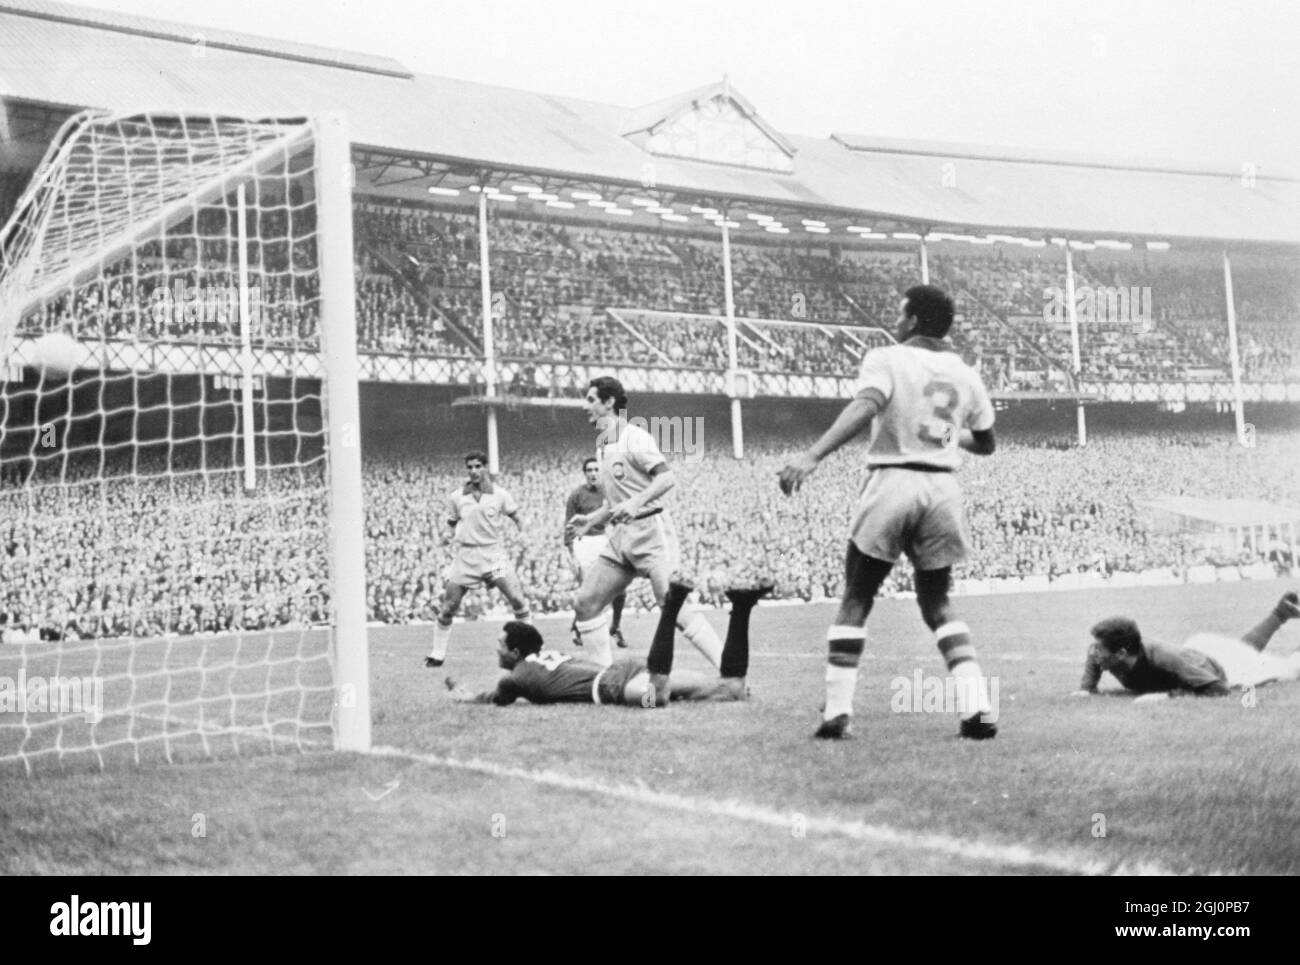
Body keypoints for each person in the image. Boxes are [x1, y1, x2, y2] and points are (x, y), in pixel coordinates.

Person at [777, 285, 999, 740]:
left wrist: (814, 455)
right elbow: (987, 443)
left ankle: (837, 710)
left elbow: (866, 405)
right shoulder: (966, 373)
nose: (895, 322)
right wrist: (945, 434)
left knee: (856, 598)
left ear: (914, 320)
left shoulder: (888, 357)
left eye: (901, 314)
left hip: (892, 480)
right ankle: (977, 706)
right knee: (937, 603)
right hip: (942, 488)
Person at [566, 376, 725, 669]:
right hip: (622, 537)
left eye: (590, 400)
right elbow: (615, 502)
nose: (584, 406)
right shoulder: (603, 445)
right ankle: (602, 677)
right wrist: (591, 520)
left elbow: (667, 477)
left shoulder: (634, 437)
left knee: (671, 607)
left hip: (652, 532)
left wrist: (636, 502)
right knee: (585, 603)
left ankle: (729, 669)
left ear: (609, 402)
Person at [445, 581, 771, 707]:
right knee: (731, 689)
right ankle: (741, 609)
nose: (496, 649)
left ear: (515, 653)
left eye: (500, 645)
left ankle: (670, 607)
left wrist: (466, 695)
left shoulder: (514, 677)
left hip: (611, 685)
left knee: (655, 696)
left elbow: (493, 697)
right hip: (626, 669)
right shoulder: (545, 657)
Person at [1072, 590, 1300, 701]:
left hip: (1218, 668)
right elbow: (1093, 658)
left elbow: (1217, 688)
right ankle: (1281, 613)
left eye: (1098, 649)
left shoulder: (1164, 660)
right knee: (1242, 651)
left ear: (1121, 653)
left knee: (1291, 669)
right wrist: (1086, 687)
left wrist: (1165, 697)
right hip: (1198, 650)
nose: (1093, 653)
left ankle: (1282, 613)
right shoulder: (1109, 651)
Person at [424, 450, 531, 668]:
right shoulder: (457, 497)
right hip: (466, 556)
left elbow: (518, 517)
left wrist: (523, 533)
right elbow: (451, 523)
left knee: (518, 600)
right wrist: (445, 536)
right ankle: (437, 654)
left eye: (477, 466)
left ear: (485, 467)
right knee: (448, 607)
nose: (473, 471)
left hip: (493, 555)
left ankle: (532, 651)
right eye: (470, 467)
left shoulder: (500, 494)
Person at [564, 457, 626, 650]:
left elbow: (617, 518)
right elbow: (569, 524)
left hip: (604, 540)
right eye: (589, 470)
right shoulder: (576, 495)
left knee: (620, 588)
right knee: (587, 590)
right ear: (585, 473)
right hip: (583, 543)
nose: (593, 473)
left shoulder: (609, 493)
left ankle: (615, 626)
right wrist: (570, 550)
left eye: (596, 470)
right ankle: (579, 627)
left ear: (601, 472)